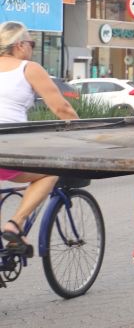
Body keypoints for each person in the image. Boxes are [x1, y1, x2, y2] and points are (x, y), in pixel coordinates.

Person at [0, 21, 79, 253]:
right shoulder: (28, 68)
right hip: (7, 147)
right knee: (50, 171)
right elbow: (62, 109)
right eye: (32, 44)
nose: (32, 49)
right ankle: (15, 224)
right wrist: (84, 133)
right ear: (20, 45)